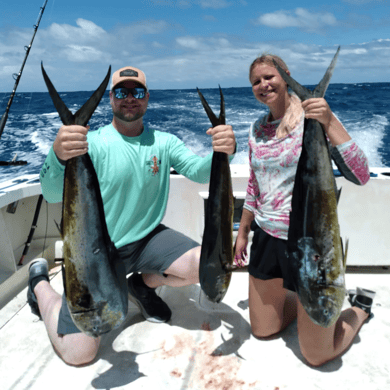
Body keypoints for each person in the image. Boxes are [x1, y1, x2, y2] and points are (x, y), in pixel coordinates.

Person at [28, 66, 236, 366]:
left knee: (203, 268)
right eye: (122, 92)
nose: (130, 98)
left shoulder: (164, 142)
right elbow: (50, 193)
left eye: (137, 92)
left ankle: (141, 286)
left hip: (147, 241)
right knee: (79, 354)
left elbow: (199, 172)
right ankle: (38, 285)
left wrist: (224, 151)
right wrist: (58, 155)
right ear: (111, 98)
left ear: (147, 98)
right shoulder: (93, 143)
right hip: (95, 251)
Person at [233, 54, 375, 367]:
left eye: (269, 77)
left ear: (285, 76)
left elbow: (361, 175)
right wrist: (243, 231)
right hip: (267, 238)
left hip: (313, 244)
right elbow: (255, 184)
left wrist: (328, 120)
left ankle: (360, 308)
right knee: (263, 330)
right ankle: (297, 302)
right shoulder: (257, 129)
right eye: (256, 81)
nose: (263, 85)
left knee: (316, 355)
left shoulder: (314, 118)